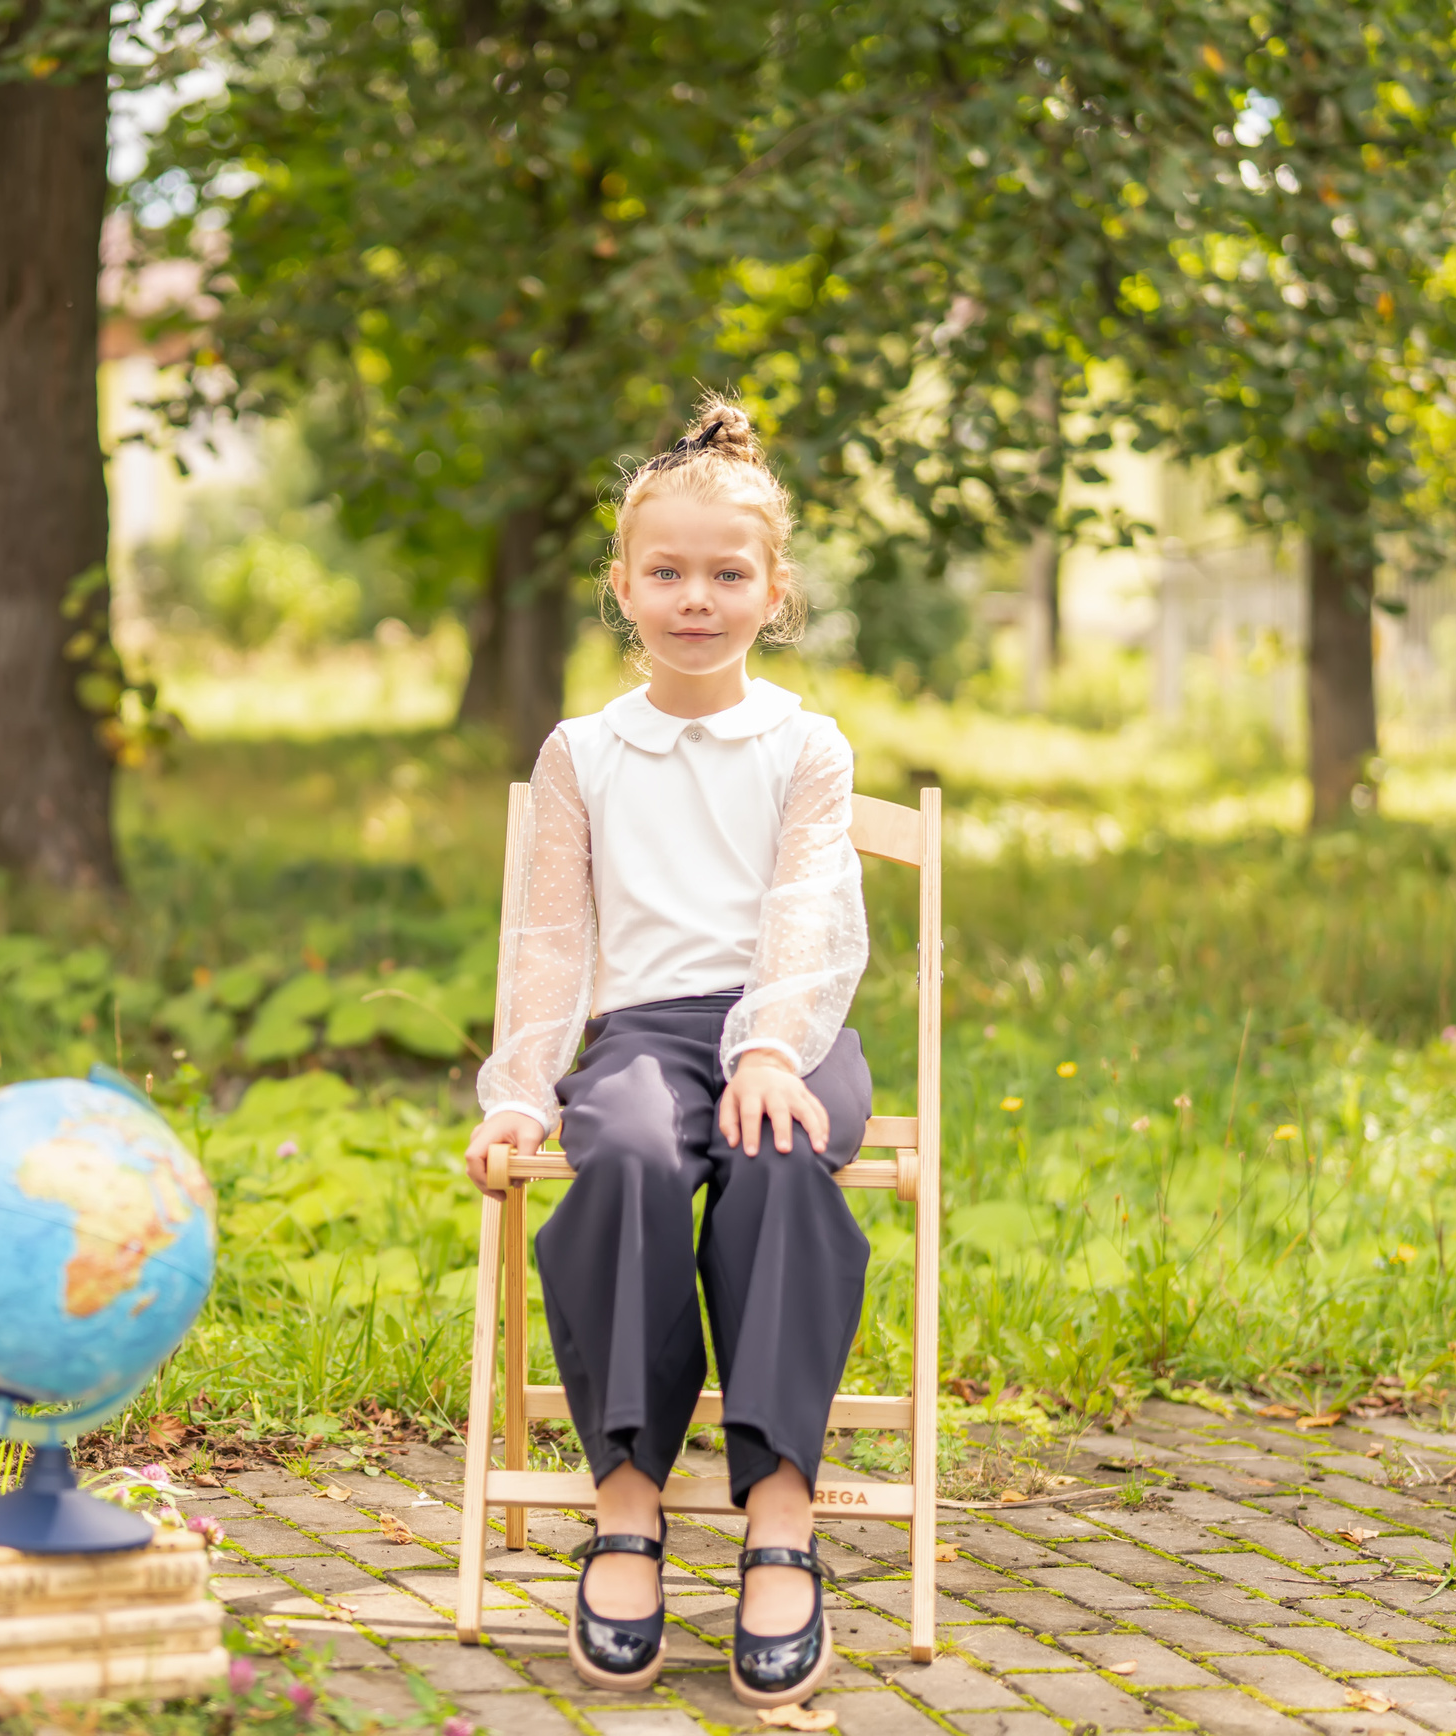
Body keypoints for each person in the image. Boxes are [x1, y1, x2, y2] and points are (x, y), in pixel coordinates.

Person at [464, 394, 871, 1705]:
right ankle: (628, 1497)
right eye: (669, 572)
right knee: (629, 1154)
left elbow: (810, 917)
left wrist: (767, 1052)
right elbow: (546, 937)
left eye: (727, 574)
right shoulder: (586, 751)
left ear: (772, 591)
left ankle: (780, 1518)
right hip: (639, 1035)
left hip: (789, 1030)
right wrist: (523, 1089)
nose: (697, 597)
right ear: (625, 588)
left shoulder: (806, 745)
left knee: (776, 1156)